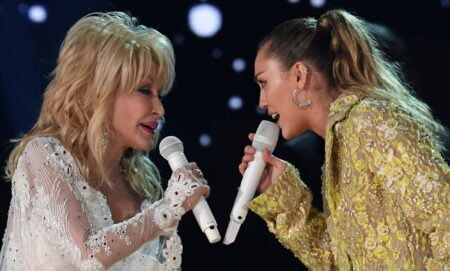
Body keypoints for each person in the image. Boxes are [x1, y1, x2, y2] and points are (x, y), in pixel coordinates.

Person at [239, 9, 449, 270]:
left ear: (299, 76)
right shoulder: (341, 141)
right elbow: (336, 262)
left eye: (264, 83)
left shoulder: (371, 121)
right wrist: (284, 198)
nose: (262, 102)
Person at [0, 11, 210, 271]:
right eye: (145, 91)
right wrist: (169, 208)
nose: (160, 109)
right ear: (100, 91)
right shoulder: (44, 155)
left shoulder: (141, 184)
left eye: (160, 94)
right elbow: (88, 255)